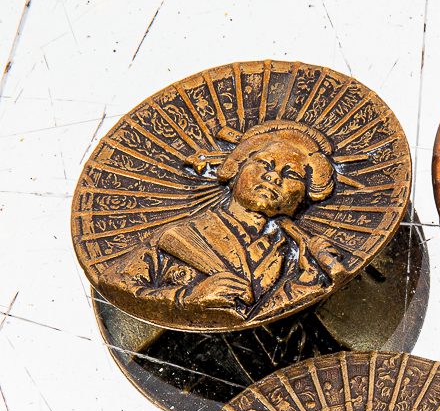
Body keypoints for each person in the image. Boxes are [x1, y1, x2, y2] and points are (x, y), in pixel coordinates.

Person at [106, 120, 347, 324]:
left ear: (303, 198)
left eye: (291, 174)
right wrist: (188, 299)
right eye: (264, 164)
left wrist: (308, 278)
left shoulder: (288, 251)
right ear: (235, 170)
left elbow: (257, 316)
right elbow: (114, 283)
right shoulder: (177, 237)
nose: (273, 177)